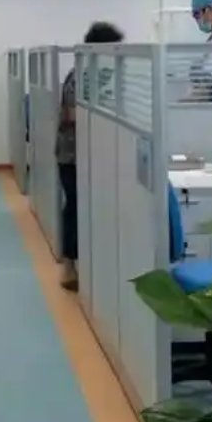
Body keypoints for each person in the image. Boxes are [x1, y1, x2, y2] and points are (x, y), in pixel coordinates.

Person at [56, 22, 124, 292]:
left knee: (91, 209)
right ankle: (69, 266)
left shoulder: (105, 73)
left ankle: (91, 264)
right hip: (72, 155)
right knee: (75, 207)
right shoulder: (79, 75)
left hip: (97, 154)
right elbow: (72, 114)